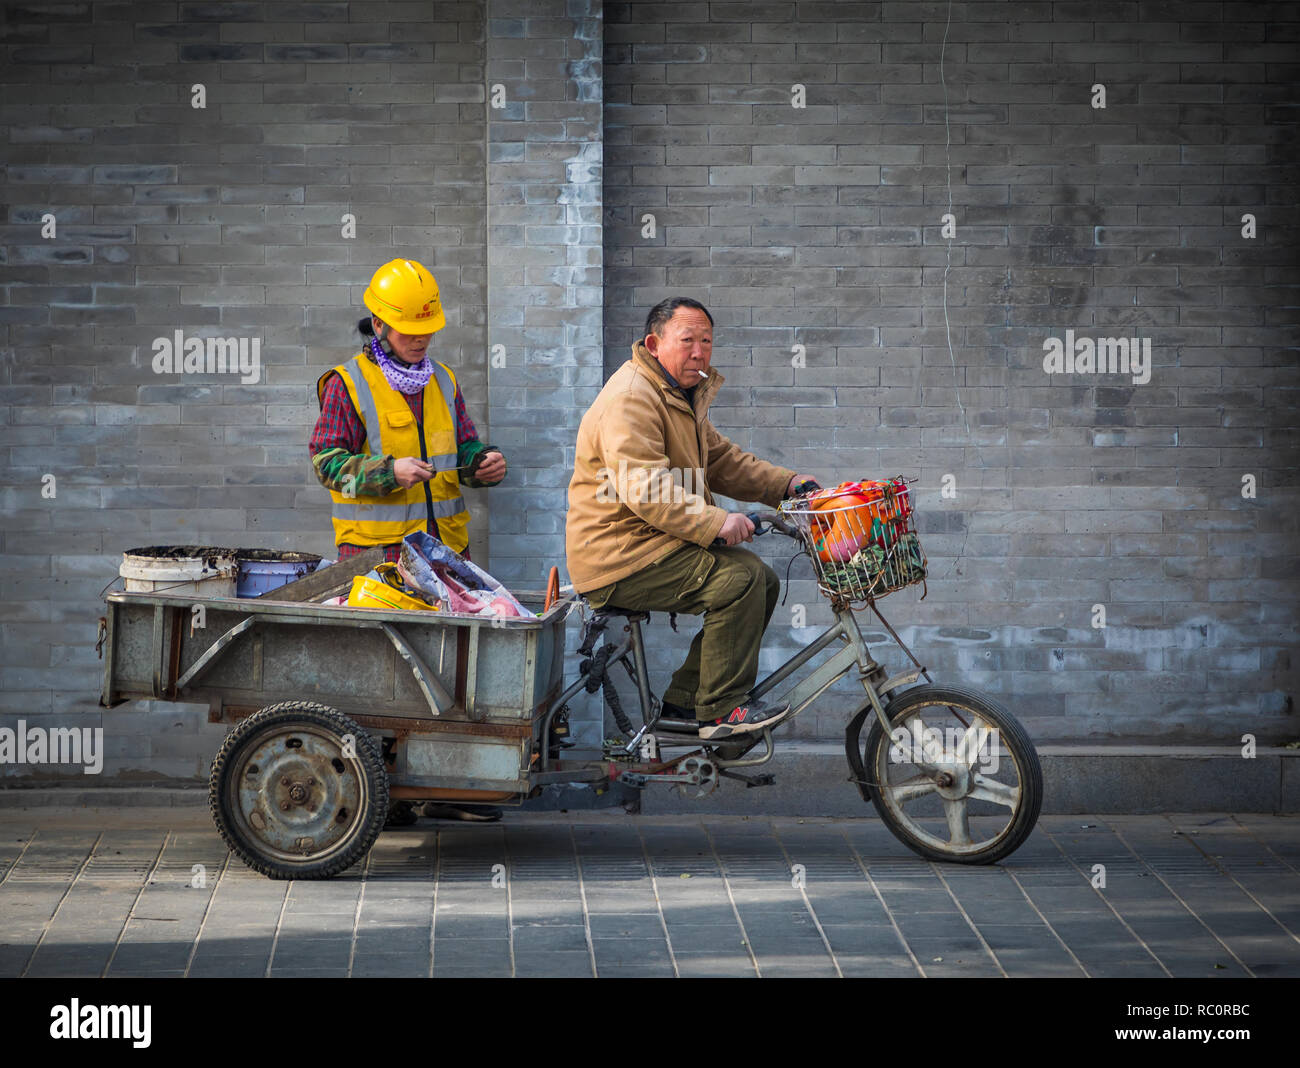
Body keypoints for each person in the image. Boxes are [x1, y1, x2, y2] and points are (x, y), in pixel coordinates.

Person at [565, 297, 821, 741]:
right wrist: (715, 522)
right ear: (654, 343)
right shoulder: (632, 398)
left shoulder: (676, 395)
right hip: (618, 554)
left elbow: (721, 460)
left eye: (706, 341)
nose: (700, 352)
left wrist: (787, 484)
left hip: (652, 543)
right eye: (687, 341)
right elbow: (644, 486)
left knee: (762, 579)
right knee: (739, 582)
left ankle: (686, 704)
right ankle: (720, 711)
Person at [309, 258, 506, 823]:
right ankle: (382, 797)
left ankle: (448, 788)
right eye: (410, 331)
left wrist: (482, 465)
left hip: (445, 560)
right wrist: (384, 472)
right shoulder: (346, 385)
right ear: (378, 325)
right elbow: (327, 464)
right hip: (379, 563)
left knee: (448, 675)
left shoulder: (442, 380)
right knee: (384, 682)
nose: (421, 341)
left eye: (428, 331)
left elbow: (462, 451)